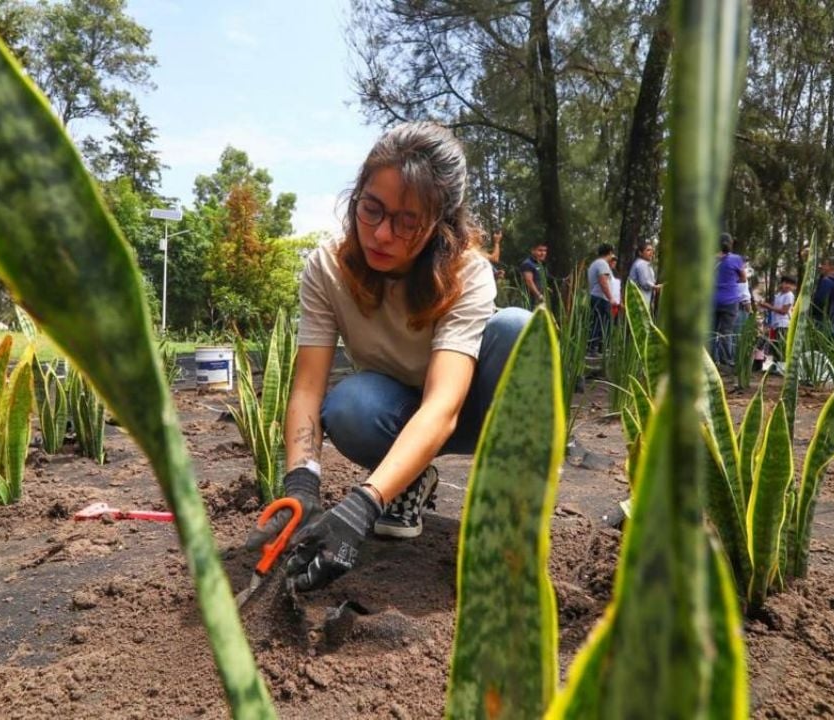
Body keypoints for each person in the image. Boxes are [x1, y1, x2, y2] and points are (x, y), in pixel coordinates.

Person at [248, 122, 530, 593]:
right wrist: (302, 485)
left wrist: (363, 503)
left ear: (440, 223)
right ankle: (410, 481)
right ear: (355, 196)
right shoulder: (326, 269)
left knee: (517, 330)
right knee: (349, 406)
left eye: (406, 222)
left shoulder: (467, 273)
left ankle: (507, 509)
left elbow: (444, 406)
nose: (381, 234)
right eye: (371, 210)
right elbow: (306, 388)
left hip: (469, 409)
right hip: (394, 412)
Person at [711, 234, 746, 365]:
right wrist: (731, 281)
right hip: (731, 301)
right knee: (726, 331)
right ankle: (726, 361)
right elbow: (743, 278)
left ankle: (710, 360)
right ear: (731, 244)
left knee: (711, 331)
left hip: (713, 300)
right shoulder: (737, 259)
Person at [758, 276, 796, 363]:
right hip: (776, 324)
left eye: (790, 284)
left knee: (780, 346)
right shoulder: (778, 295)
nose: (787, 286)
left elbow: (783, 311)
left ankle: (781, 365)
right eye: (785, 283)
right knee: (775, 345)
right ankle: (776, 364)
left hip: (784, 324)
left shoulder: (789, 295)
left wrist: (768, 306)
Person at [587, 243, 616, 354]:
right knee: (601, 323)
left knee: (598, 322)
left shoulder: (595, 264)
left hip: (596, 296)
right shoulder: (602, 263)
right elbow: (603, 281)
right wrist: (611, 298)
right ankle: (593, 347)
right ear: (609, 252)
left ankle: (598, 347)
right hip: (601, 297)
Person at [810, 256, 834, 339]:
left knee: (819, 350)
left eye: (824, 264)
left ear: (832, 267)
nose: (820, 266)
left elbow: (819, 301)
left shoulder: (827, 281)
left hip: (824, 323)